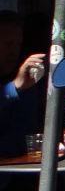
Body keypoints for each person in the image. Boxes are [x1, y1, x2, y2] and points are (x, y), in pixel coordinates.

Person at [0, 12, 46, 158]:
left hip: (26, 167)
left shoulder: (27, 82)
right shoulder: (20, 82)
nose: (14, 51)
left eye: (18, 44)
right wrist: (14, 87)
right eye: (8, 44)